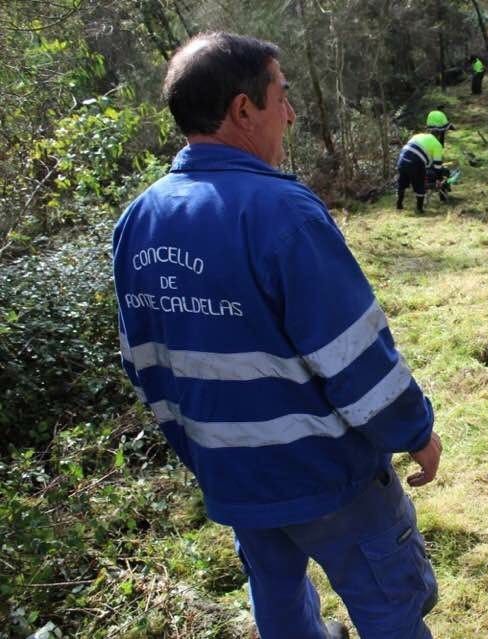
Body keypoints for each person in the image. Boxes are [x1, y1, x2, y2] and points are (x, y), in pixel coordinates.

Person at [113, 32, 441, 639]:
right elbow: (353, 353)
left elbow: (146, 363)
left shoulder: (138, 219)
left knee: (280, 605)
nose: (289, 114)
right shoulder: (281, 211)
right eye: (281, 97)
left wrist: (205, 455)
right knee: (391, 609)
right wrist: (415, 430)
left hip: (233, 478)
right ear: (244, 110)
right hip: (327, 477)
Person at [396, 116, 448, 213]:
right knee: (419, 184)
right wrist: (439, 178)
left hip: (402, 157)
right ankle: (419, 209)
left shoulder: (418, 136)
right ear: (438, 135)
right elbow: (437, 165)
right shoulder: (437, 145)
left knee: (402, 183)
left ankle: (399, 205)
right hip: (415, 162)